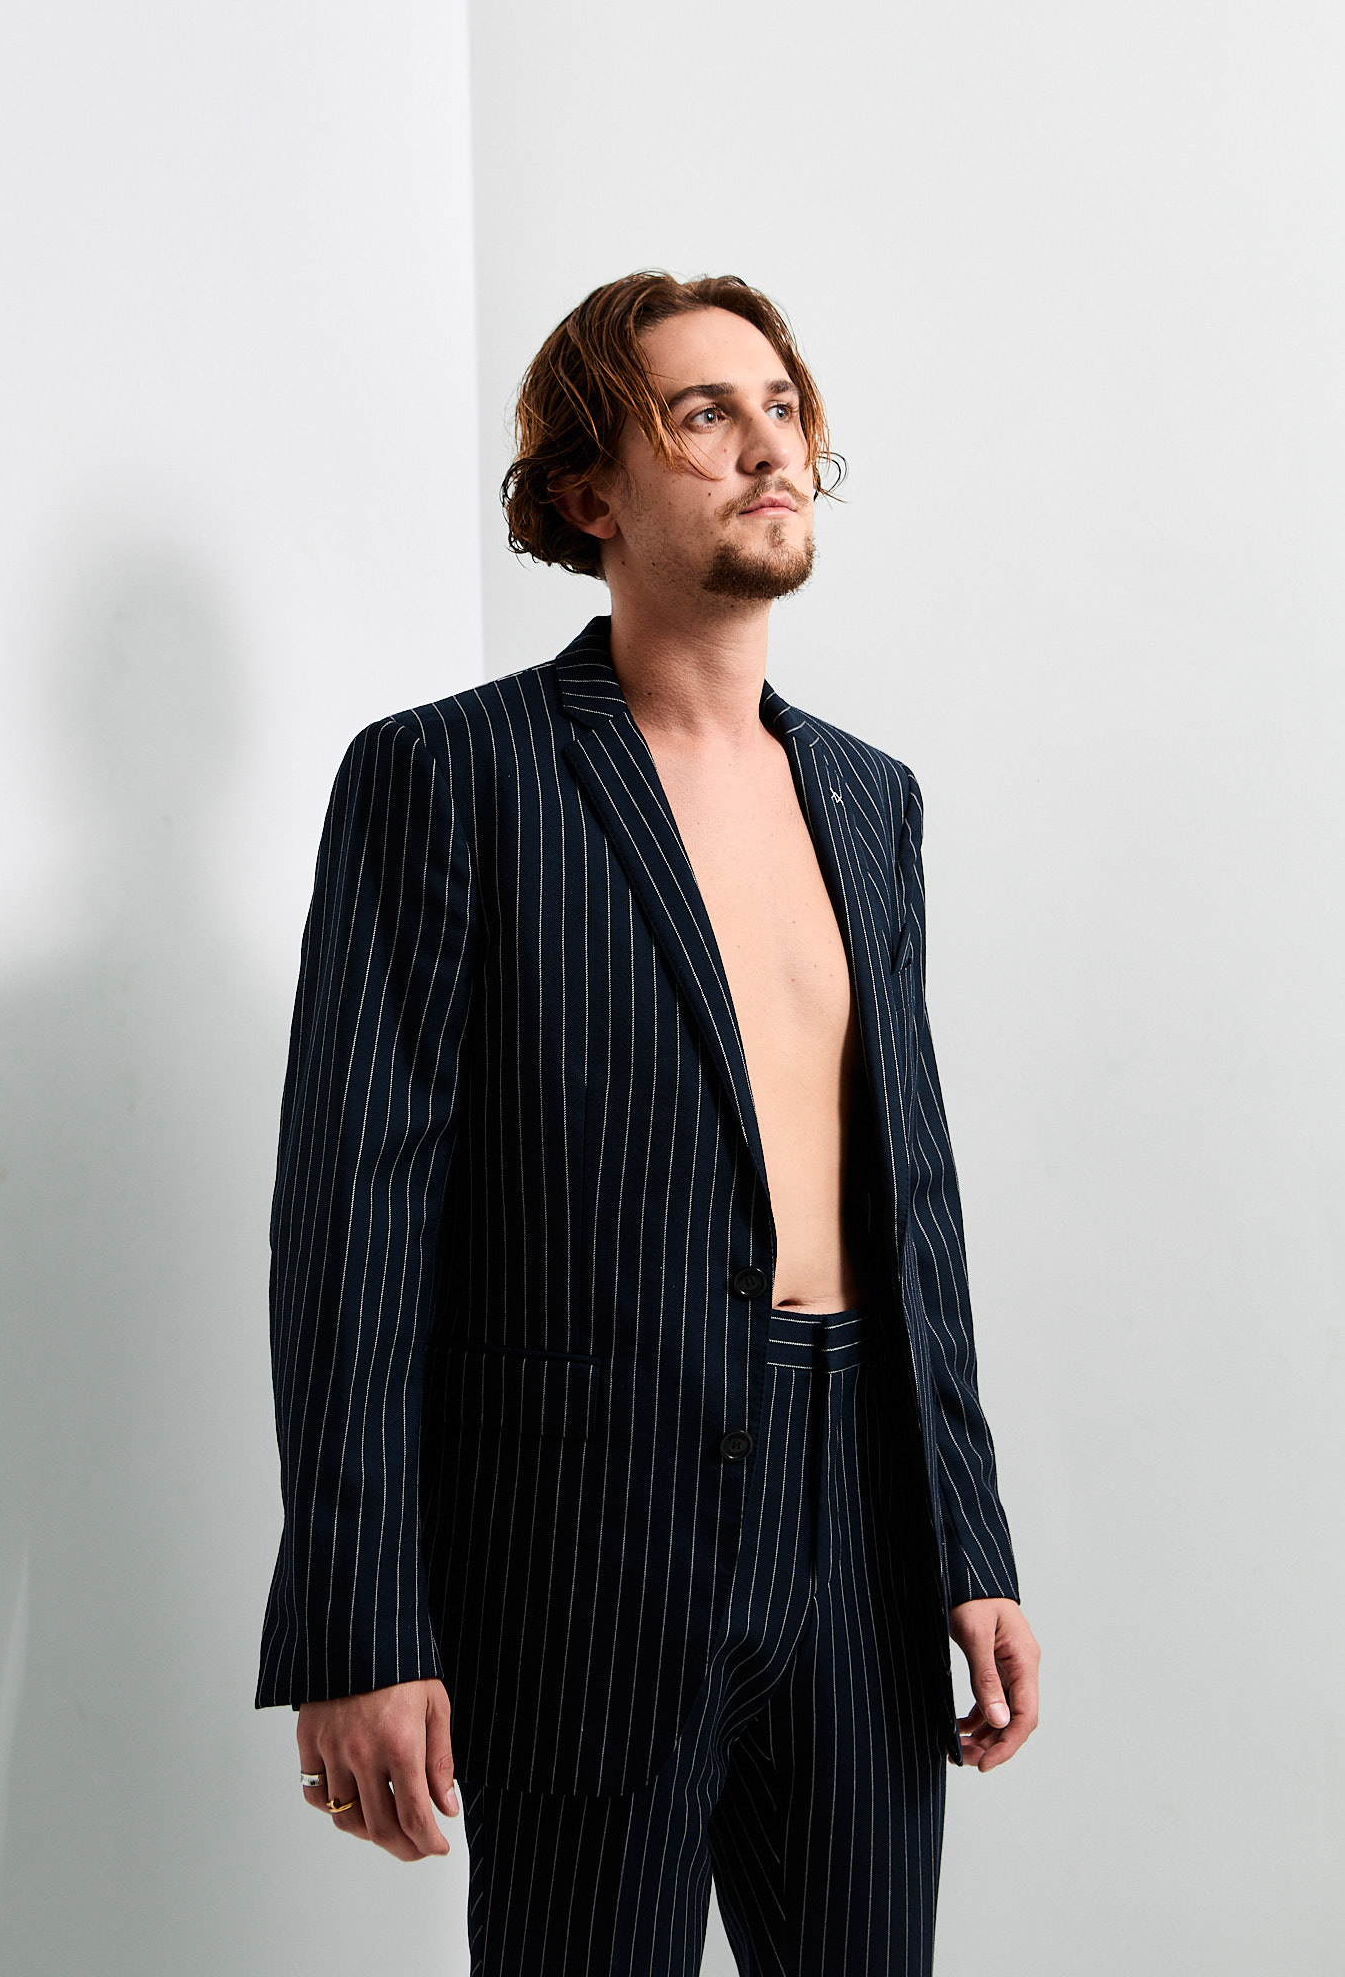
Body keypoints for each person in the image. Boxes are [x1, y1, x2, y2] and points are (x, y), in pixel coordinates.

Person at [257, 270, 1040, 1974]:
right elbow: (355, 1224)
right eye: (702, 414)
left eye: (781, 410)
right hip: (585, 1540)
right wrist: (359, 1621)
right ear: (584, 493)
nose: (767, 447)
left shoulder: (868, 797)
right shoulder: (449, 776)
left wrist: (966, 1540)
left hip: (859, 1517)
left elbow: (909, 1197)